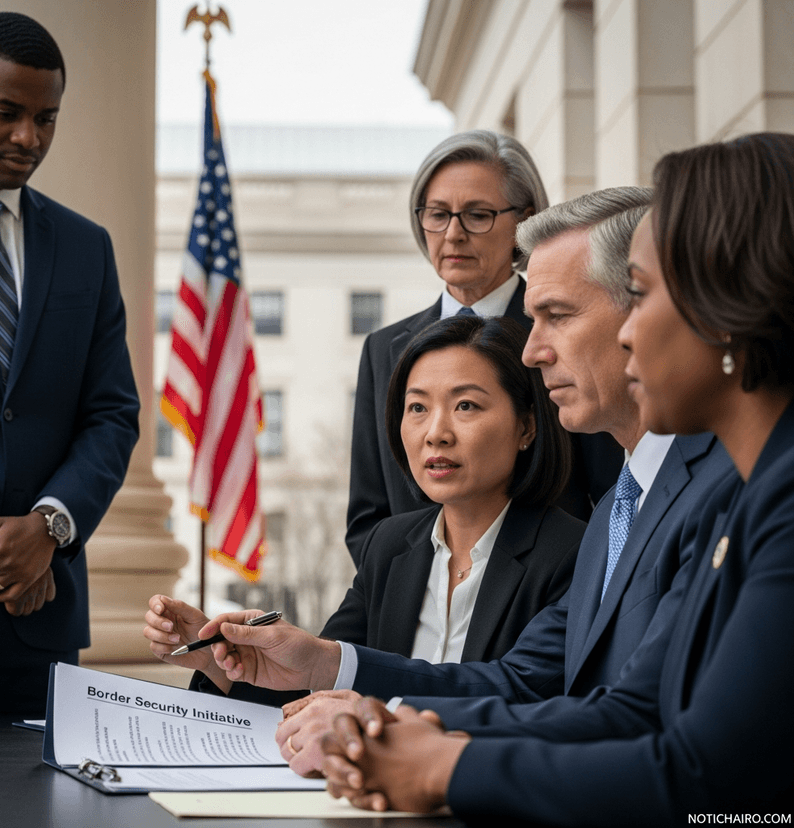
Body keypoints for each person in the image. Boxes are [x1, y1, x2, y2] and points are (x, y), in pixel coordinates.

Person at [321, 133, 794, 822]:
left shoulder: (755, 492)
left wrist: (446, 765)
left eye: (643, 293)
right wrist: (392, 726)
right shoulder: (625, 509)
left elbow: (703, 773)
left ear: (729, 305)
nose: (534, 351)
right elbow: (619, 706)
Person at [180, 187, 735, 774]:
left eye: (558, 315)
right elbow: (527, 684)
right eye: (416, 408)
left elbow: (644, 723)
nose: (533, 351)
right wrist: (325, 669)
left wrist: (418, 755)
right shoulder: (616, 514)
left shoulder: (726, 489)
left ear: (649, 312)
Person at [145, 315, 585, 771]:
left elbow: (518, 691)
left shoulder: (574, 552)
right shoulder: (391, 545)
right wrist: (223, 663)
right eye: (417, 408)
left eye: (466, 406)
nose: (436, 432)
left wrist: (326, 661)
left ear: (527, 427)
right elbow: (314, 689)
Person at [0, 12, 139, 716]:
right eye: (6, 113)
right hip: (14, 579)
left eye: (46, 118)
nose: (28, 138)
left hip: (38, 620)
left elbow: (112, 413)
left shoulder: (85, 247)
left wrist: (47, 528)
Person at [347, 129, 623, 563]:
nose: (453, 234)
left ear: (524, 220)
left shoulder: (563, 330)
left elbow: (610, 493)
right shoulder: (383, 349)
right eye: (437, 214)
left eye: (477, 215)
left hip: (547, 602)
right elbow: (368, 516)